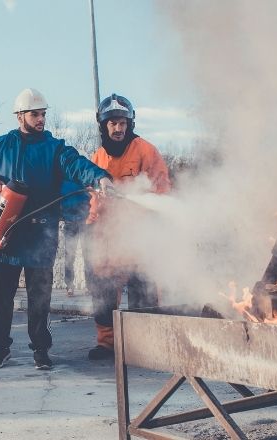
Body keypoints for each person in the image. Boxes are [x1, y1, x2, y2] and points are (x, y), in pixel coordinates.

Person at [0, 88, 113, 370]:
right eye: (35, 114)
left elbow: (77, 165)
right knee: (1, 300)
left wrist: (100, 178)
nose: (40, 119)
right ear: (19, 116)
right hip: (6, 235)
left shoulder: (55, 149)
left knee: (40, 299)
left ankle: (41, 349)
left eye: (43, 114)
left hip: (41, 235)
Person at [85, 93, 172, 361]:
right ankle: (107, 343)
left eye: (122, 122)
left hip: (139, 235)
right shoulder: (96, 158)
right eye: (112, 123)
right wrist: (92, 226)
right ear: (103, 126)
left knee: (143, 289)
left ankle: (142, 342)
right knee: (102, 291)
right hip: (107, 236)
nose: (118, 128)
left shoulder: (146, 151)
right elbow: (91, 199)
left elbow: (161, 190)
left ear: (130, 123)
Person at [59, 180, 90, 297]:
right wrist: (62, 216)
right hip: (69, 221)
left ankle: (89, 286)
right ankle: (69, 286)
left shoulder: (84, 178)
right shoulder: (63, 180)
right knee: (69, 255)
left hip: (85, 221)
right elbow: (59, 199)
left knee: (88, 254)